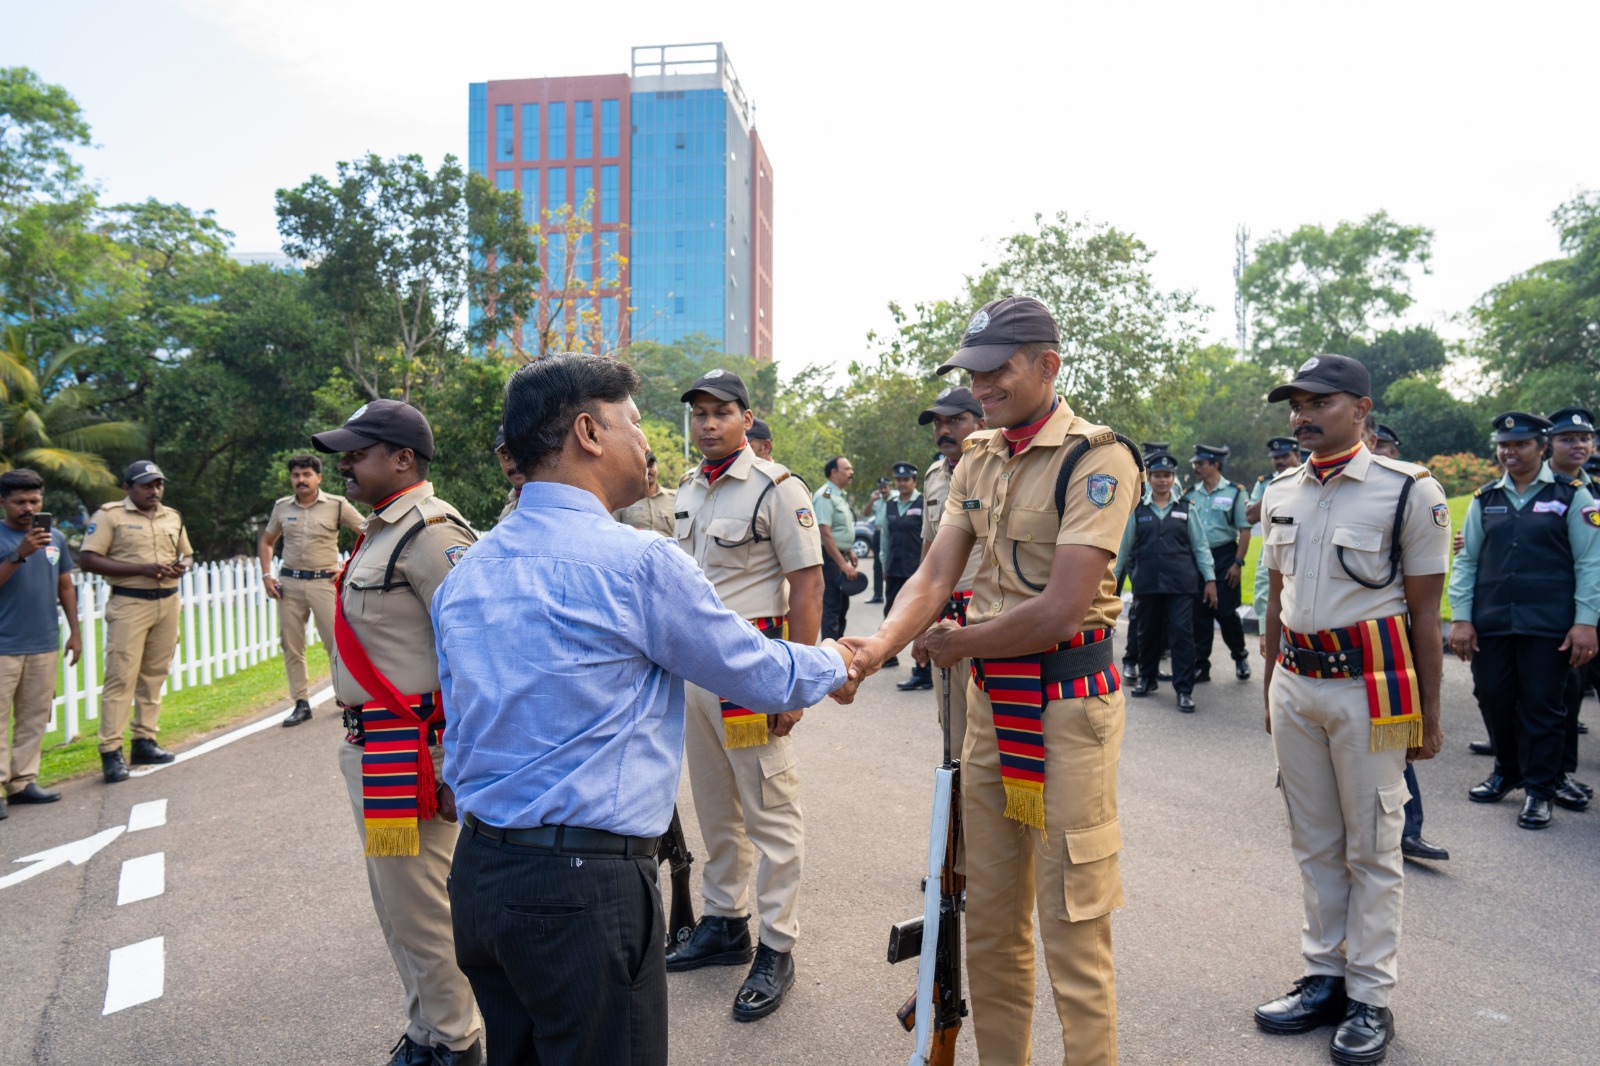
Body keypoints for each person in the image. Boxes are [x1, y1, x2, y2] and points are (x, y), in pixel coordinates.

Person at [435, 354, 855, 1064]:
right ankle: (731, 923)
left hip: (481, 878)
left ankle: (757, 934)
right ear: (590, 432)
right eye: (636, 421)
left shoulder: (468, 569)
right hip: (582, 892)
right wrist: (844, 659)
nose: (653, 439)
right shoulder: (636, 562)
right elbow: (755, 668)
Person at [841, 295, 1140, 1066]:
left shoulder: (1097, 459)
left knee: (1075, 931)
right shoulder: (978, 455)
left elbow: (1062, 607)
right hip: (988, 709)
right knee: (992, 926)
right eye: (972, 374)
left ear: (1048, 365)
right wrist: (877, 647)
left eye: (996, 370)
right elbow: (937, 570)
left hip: (1066, 711)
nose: (980, 388)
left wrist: (958, 642)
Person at [1254, 354, 1449, 1066]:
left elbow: (1424, 617)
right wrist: (1271, 687)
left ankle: (1370, 995)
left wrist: (1429, 714)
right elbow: (1276, 602)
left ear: (1361, 409)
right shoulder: (1281, 491)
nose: (1302, 416)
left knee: (1372, 843)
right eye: (1295, 405)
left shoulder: (1408, 493)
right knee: (1313, 840)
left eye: (1319, 403)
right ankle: (1324, 977)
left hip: (1372, 685)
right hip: (1298, 685)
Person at [310, 400, 483, 1066]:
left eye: (358, 452)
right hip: (378, 748)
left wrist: (458, 764)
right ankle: (428, 1030)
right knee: (398, 905)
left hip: (416, 753)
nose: (345, 464)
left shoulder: (434, 534)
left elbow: (478, 654)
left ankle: (456, 1041)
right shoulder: (383, 531)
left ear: (403, 458)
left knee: (424, 909)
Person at [664, 368, 824, 1021]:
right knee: (713, 805)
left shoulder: (777, 489)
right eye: (698, 413)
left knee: (769, 810)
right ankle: (725, 923)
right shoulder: (688, 490)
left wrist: (797, 678)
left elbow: (807, 584)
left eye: (720, 412)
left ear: (745, 416)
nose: (707, 424)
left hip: (753, 672)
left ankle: (777, 945)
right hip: (698, 672)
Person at [1448, 412, 1599, 830]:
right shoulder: (1485, 499)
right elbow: (1467, 562)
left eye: (1520, 444)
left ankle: (1539, 790)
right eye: (1504, 445)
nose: (1509, 452)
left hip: (1548, 623)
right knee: (1493, 696)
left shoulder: (1572, 496)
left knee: (1543, 707)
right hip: (1493, 621)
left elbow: (1591, 563)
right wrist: (1461, 617)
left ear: (1541, 447)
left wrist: (1585, 622)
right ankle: (1507, 770)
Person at [80, 460, 192, 783]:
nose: (154, 490)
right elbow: (88, 559)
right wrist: (141, 569)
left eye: (158, 484)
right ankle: (110, 751)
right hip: (130, 602)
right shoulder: (110, 516)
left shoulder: (173, 516)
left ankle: (144, 740)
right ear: (128, 488)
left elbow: (187, 553)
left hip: (168, 602)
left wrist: (181, 565)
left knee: (155, 674)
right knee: (121, 676)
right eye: (146, 485)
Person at [258, 454, 365, 727]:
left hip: (324, 583)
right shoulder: (282, 507)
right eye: (296, 475)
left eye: (306, 474)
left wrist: (347, 567)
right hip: (289, 585)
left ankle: (345, 698)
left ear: (318, 477)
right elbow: (267, 541)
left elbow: (367, 532)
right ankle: (301, 703)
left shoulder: (336, 505)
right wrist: (267, 575)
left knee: (335, 644)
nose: (301, 480)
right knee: (292, 646)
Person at [0, 470, 80, 814]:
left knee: (34, 717)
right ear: (3, 502)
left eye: (35, 501)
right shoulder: (7, 539)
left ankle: (22, 782)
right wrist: (19, 553)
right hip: (4, 644)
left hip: (43, 641)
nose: (28, 508)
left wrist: (75, 632)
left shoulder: (56, 539)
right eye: (20, 502)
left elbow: (65, 587)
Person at [1114, 452, 1215, 713]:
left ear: (1173, 479)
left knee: (1182, 634)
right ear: (1150, 477)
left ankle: (1184, 690)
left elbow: (1201, 547)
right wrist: (1111, 581)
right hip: (1146, 583)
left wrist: (1210, 579)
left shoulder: (1186, 508)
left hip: (1180, 584)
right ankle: (1147, 679)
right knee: (1146, 633)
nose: (1162, 480)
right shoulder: (1139, 510)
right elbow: (1123, 550)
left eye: (1167, 475)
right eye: (1157, 475)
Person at [911, 386, 987, 726]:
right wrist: (919, 624)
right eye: (938, 423)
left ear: (981, 423)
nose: (944, 430)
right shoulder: (933, 477)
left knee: (991, 732)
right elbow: (929, 554)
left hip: (989, 620)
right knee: (953, 732)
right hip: (944, 621)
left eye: (955, 420)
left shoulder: (1001, 471)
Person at [1547, 406, 1596, 802]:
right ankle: (1550, 773)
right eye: (1568, 438)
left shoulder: (1591, 489)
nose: (1578, 444)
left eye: (1584, 438)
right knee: (1561, 694)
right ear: (1550, 444)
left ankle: (1560, 772)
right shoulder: (1534, 485)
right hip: (1559, 610)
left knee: (1574, 692)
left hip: (1590, 608)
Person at [1185, 444, 1252, 682]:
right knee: (1199, 614)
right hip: (1197, 559)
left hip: (1225, 558)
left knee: (1225, 612)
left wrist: (1237, 563)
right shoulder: (1191, 493)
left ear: (1215, 464)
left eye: (1200, 464)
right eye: (1195, 464)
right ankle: (1201, 665)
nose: (1195, 468)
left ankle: (1240, 655)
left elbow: (1244, 530)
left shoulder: (1235, 492)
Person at [881, 462, 927, 686]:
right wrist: (883, 565)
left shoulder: (923, 502)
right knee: (891, 612)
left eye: (906, 479)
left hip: (917, 570)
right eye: (898, 480)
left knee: (920, 618)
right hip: (895, 569)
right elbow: (885, 539)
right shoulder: (890, 504)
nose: (902, 483)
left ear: (914, 481)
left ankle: (922, 671)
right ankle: (888, 655)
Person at [813, 455, 858, 641]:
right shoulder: (825, 496)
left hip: (839, 556)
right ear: (834, 472)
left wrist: (849, 551)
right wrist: (842, 565)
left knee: (842, 606)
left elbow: (840, 530)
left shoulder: (839, 495)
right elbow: (825, 533)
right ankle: (830, 657)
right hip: (830, 560)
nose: (851, 472)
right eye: (847, 469)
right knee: (832, 607)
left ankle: (839, 649)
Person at [612, 452, 676, 535]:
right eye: (643, 466)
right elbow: (613, 532)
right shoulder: (622, 500)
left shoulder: (675, 498)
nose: (648, 470)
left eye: (651, 465)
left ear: (657, 468)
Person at [493, 425, 525, 523]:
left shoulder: (547, 502)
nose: (515, 465)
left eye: (520, 454)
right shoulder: (508, 506)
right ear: (500, 461)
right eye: (506, 457)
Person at [866, 477, 891, 605]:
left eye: (885, 487)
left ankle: (893, 594)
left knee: (890, 564)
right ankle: (878, 595)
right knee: (877, 566)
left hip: (890, 535)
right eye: (881, 487)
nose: (883, 490)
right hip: (878, 533)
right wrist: (871, 500)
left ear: (889, 487)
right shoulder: (877, 501)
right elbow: (866, 513)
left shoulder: (895, 499)